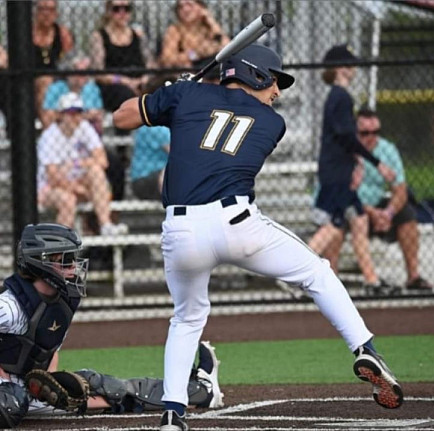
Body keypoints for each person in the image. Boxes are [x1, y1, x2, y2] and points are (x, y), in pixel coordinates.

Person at [113, 43, 404, 430]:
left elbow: (121, 118)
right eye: (274, 81)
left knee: (186, 318)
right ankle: (366, 350)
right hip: (237, 224)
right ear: (254, 75)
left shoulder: (186, 94)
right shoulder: (271, 123)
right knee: (316, 272)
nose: (277, 92)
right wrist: (182, 95)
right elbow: (219, 115)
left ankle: (172, 414)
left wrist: (168, 93)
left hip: (181, 231)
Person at [0, 223, 224, 428]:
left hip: (25, 391)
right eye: (66, 261)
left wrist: (50, 384)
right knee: (10, 403)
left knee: (109, 389)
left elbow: (48, 349)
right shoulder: (9, 305)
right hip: (8, 390)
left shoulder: (60, 303)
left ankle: (201, 391)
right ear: (41, 261)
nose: (74, 267)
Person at [307, 44, 396, 292]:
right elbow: (347, 137)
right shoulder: (340, 96)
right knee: (333, 225)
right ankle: (294, 273)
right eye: (348, 64)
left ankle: (371, 280)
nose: (353, 68)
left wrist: (357, 161)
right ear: (338, 69)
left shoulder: (339, 96)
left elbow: (343, 138)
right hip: (336, 171)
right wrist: (376, 163)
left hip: (339, 167)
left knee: (358, 220)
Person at [324, 108, 433, 291]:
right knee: (337, 220)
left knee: (407, 215)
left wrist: (388, 213)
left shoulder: (387, 150)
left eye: (376, 132)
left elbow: (400, 190)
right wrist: (371, 212)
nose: (371, 137)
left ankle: (413, 276)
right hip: (345, 205)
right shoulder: (342, 149)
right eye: (365, 133)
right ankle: (331, 281)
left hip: (376, 207)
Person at [37, 92, 128, 236]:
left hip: (78, 181)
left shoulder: (84, 128)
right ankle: (60, 248)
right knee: (68, 200)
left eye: (78, 112)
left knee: (96, 172)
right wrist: (78, 189)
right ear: (60, 115)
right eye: (70, 113)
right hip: (50, 188)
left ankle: (106, 225)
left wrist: (77, 163)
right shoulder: (50, 136)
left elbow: (102, 160)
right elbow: (52, 176)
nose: (75, 117)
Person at [42, 53, 126, 201]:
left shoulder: (91, 88)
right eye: (78, 72)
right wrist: (84, 116)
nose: (83, 77)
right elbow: (47, 118)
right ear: (69, 73)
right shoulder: (56, 88)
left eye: (85, 73)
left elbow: (98, 115)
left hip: (88, 143)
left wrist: (67, 115)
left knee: (115, 165)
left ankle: (112, 215)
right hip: (61, 143)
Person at [90, 0, 156, 114]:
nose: (122, 13)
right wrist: (124, 81)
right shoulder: (99, 36)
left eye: (126, 9)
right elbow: (99, 73)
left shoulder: (138, 34)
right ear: (108, 11)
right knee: (126, 95)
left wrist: (144, 79)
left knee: (162, 87)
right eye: (117, 9)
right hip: (115, 84)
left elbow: (150, 63)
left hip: (140, 80)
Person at [32, 0, 74, 126]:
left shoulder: (62, 33)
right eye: (42, 9)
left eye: (51, 10)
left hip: (58, 77)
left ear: (56, 13)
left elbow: (70, 59)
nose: (46, 14)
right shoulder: (27, 32)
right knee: (44, 82)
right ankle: (49, 130)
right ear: (36, 11)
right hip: (32, 79)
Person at [159, 0, 230, 70]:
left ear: (201, 7)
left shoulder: (208, 28)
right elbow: (167, 60)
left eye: (190, 4)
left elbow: (228, 46)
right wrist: (195, 54)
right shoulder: (175, 30)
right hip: (190, 70)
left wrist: (211, 20)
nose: (185, 9)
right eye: (180, 7)